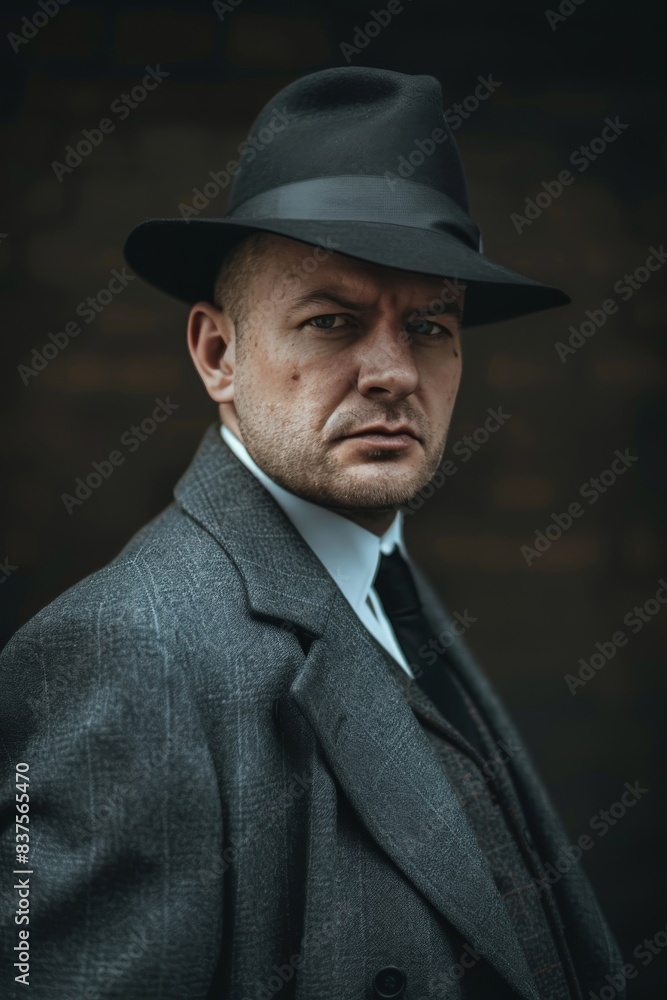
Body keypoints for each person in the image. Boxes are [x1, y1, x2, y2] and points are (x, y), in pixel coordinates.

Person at [0, 66, 623, 1000]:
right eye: (332, 321)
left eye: (430, 326)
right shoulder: (122, 652)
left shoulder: (386, 589)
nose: (392, 373)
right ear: (218, 353)